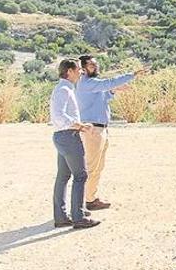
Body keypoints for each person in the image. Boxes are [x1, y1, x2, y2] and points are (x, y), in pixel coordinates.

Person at [75, 55, 146, 211]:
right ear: (83, 68)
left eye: (96, 64)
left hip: (100, 128)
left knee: (98, 167)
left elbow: (104, 96)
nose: (96, 67)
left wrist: (113, 91)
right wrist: (132, 75)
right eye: (92, 65)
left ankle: (90, 199)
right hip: (93, 130)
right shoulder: (87, 83)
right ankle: (84, 202)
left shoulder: (92, 85)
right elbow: (109, 83)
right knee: (92, 167)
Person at [50, 59, 100, 229]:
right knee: (81, 175)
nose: (81, 72)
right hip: (69, 136)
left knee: (63, 176)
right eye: (79, 69)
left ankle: (62, 216)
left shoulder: (63, 88)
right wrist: (80, 125)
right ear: (69, 71)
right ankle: (78, 217)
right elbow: (59, 115)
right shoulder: (64, 90)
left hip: (62, 136)